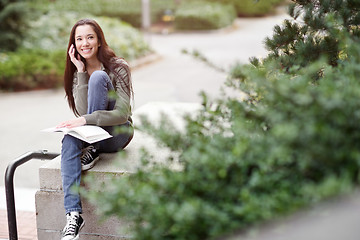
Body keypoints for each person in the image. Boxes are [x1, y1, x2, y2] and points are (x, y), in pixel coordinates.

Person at [57, 18, 134, 240]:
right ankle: (73, 214)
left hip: (118, 134)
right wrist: (81, 71)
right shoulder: (75, 72)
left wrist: (84, 122)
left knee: (99, 77)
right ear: (73, 44)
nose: (85, 43)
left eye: (90, 37)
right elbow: (82, 113)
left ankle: (92, 145)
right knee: (69, 140)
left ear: (99, 40)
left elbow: (122, 114)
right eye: (79, 39)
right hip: (93, 136)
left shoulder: (118, 67)